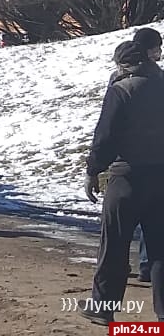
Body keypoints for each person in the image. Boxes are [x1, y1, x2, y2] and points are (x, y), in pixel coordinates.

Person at [81, 28, 164, 325]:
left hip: (126, 177)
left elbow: (106, 137)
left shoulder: (122, 89)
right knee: (160, 250)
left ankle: (104, 307)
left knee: (114, 245)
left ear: (124, 65)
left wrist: (93, 170)